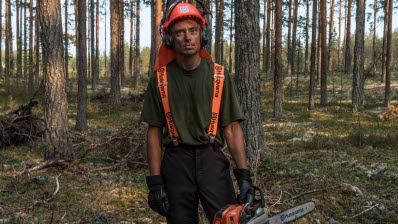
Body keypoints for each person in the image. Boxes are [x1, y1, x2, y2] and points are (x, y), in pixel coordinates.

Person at [141, 1, 253, 223]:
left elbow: (231, 128)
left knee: (227, 219)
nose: (187, 37)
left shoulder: (219, 75)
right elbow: (154, 132)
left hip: (212, 161)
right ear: (170, 38)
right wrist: (155, 182)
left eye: (193, 30)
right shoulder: (160, 79)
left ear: (202, 33)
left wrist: (244, 176)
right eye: (179, 32)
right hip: (175, 164)